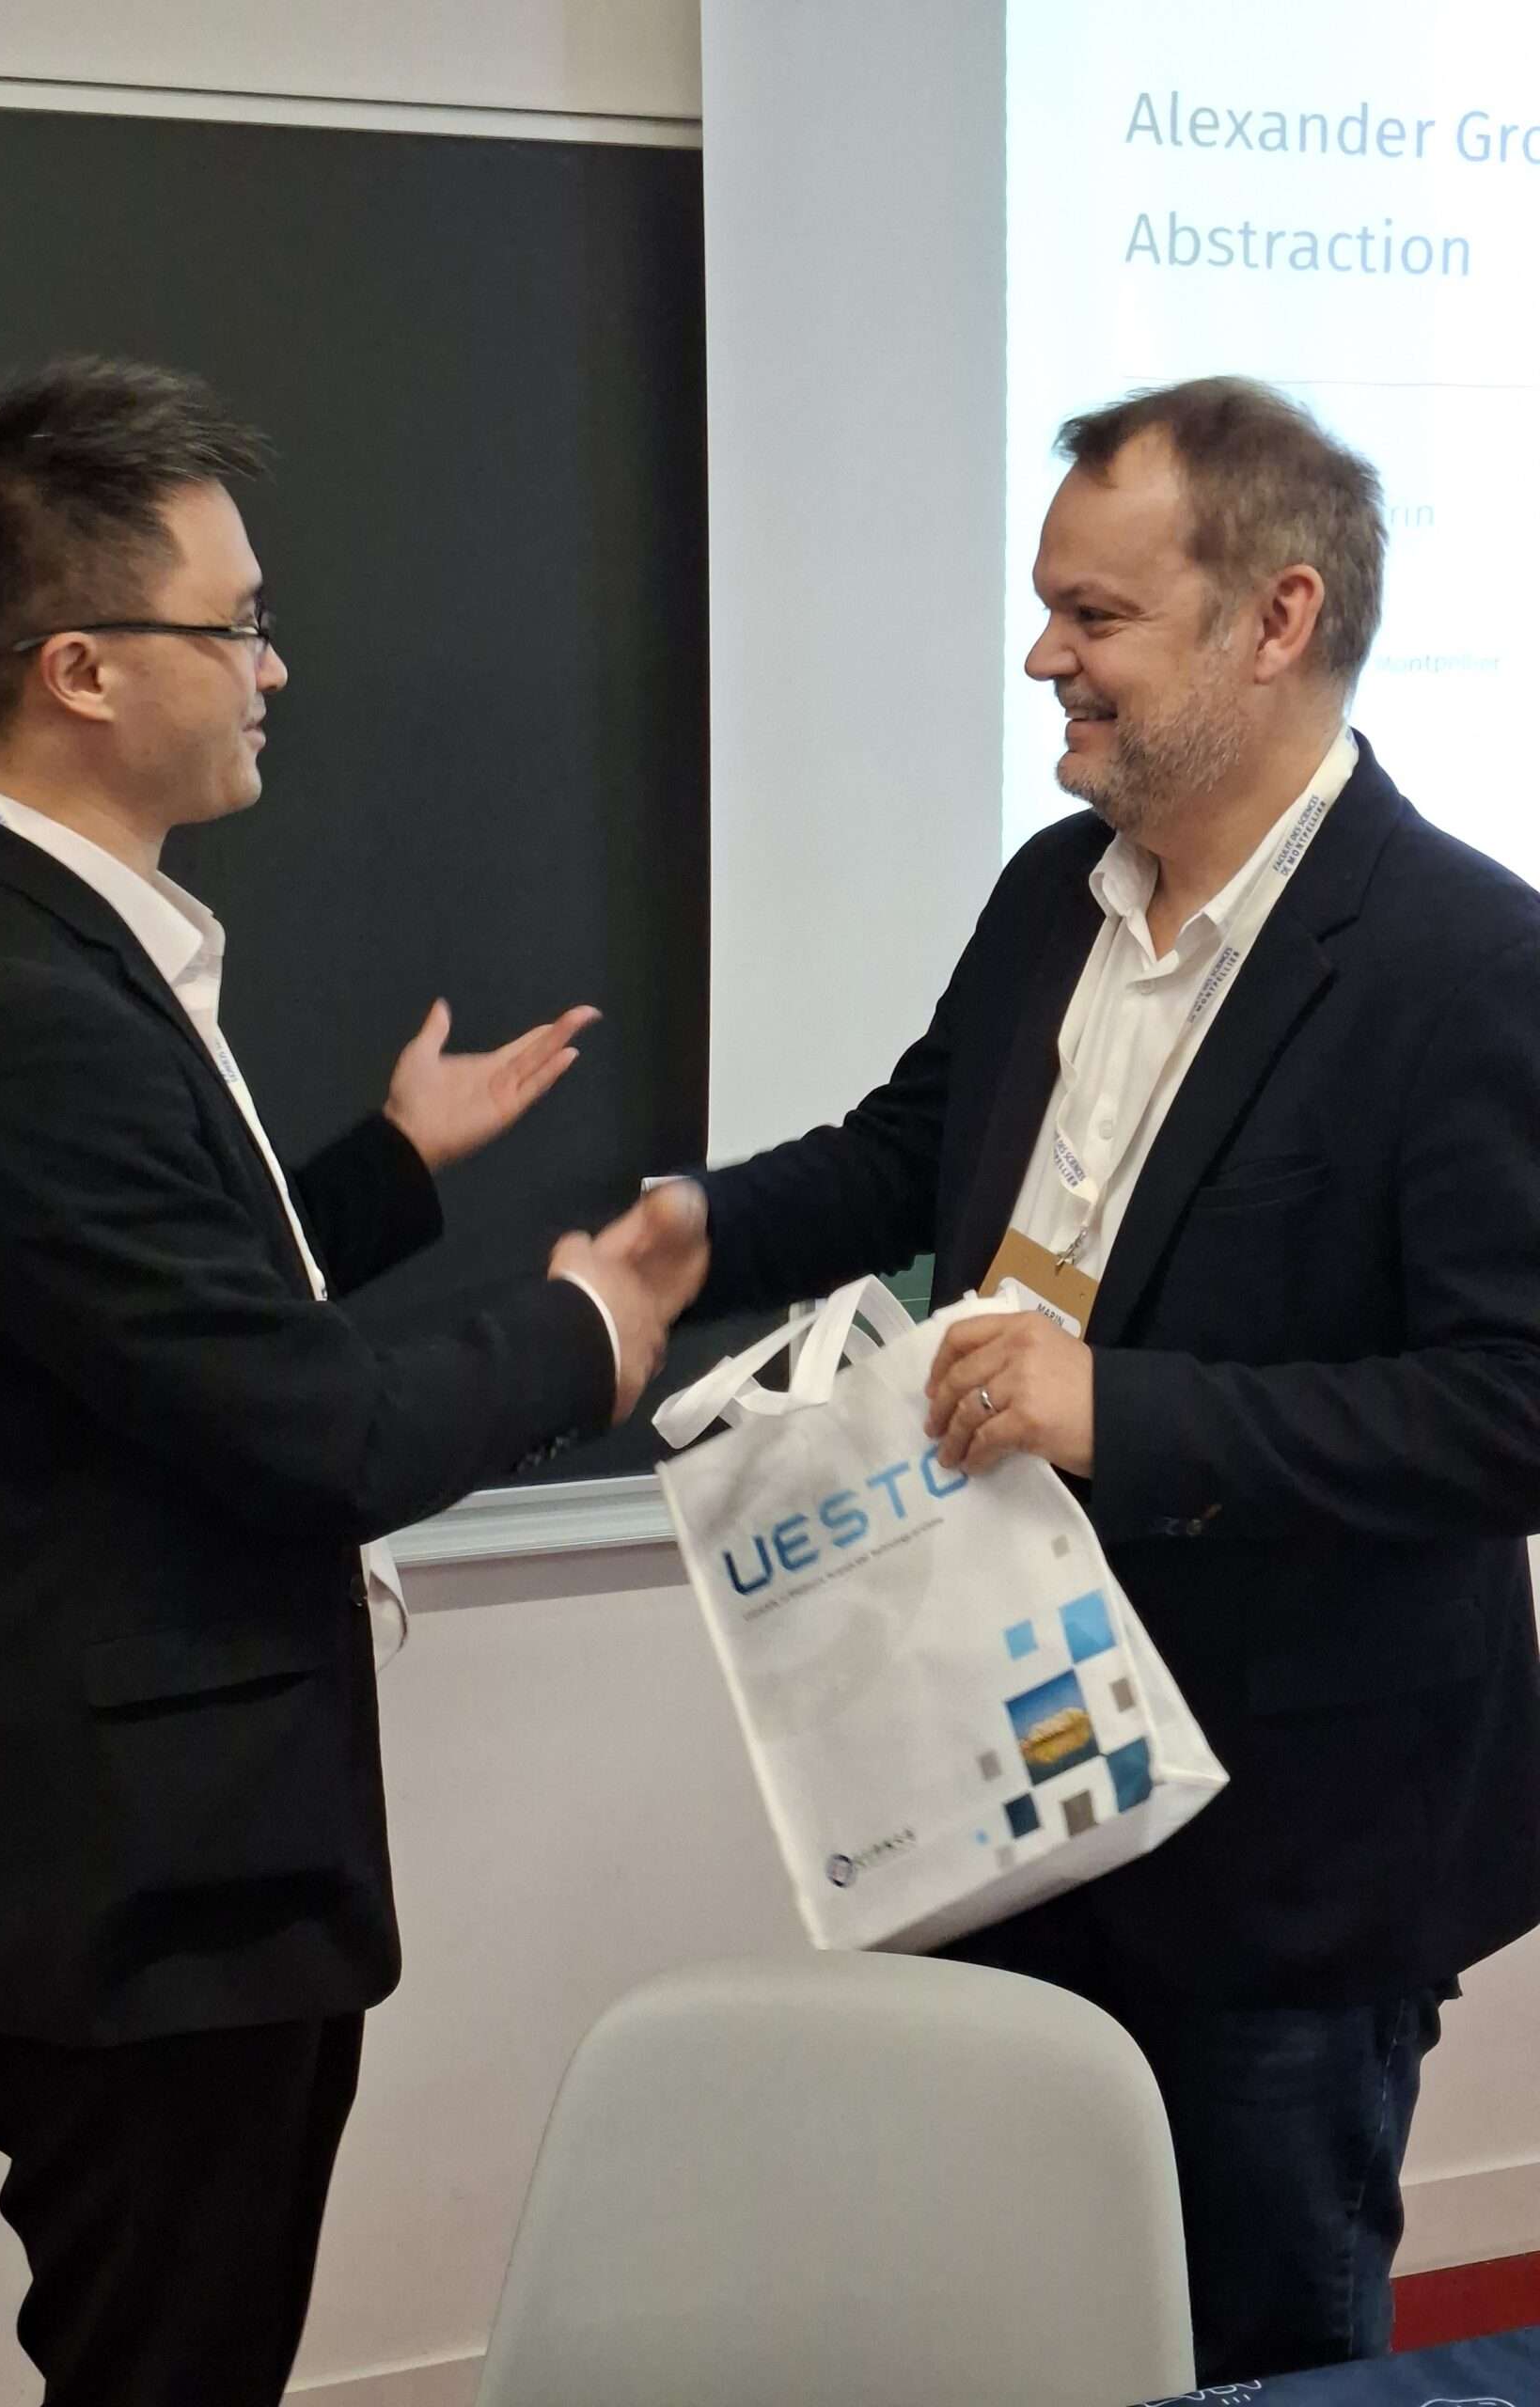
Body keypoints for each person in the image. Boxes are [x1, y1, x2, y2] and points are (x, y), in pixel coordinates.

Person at [611, 377, 1540, 2381]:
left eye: (1096, 615)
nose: (1045, 656)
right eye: (1048, 606)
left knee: (1259, 2350)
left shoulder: (1471, 961)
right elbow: (913, 1147)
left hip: (1287, 1856)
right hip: (996, 1792)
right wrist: (699, 1232)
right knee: (1011, 2322)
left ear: (1276, 620)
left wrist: (1119, 1407)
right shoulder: (1056, 887)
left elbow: (1509, 1409)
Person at [0, 355, 705, 2407]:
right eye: (233, 624)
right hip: (156, 1902)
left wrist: (392, 1167)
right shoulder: (22, 1007)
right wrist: (588, 1328)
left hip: (174, 1869)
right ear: (79, 668)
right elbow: (306, 1431)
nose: (274, 666)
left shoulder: (63, 942)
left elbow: (158, 1313)